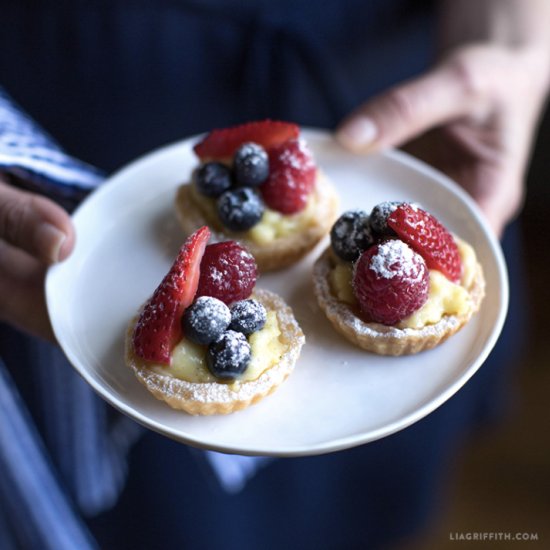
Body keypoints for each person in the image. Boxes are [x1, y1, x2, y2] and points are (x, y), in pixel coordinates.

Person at [1, 0, 549, 548]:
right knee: (174, 518)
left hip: (394, 82)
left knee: (373, 501)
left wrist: (513, 38)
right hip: (93, 85)